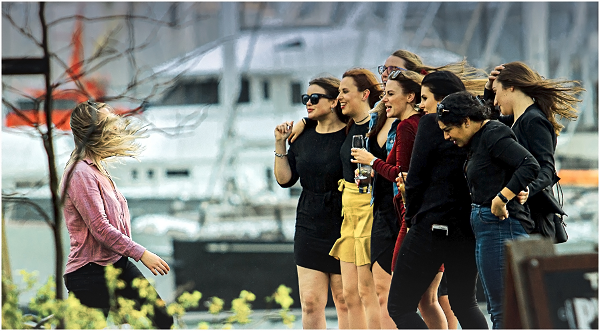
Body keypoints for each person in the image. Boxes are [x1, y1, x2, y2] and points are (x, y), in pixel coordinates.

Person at [387, 71, 490, 329]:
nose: (421, 105)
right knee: (465, 304)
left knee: (399, 306)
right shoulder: (479, 125)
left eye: (425, 98)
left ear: (443, 99)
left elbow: (416, 178)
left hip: (430, 224)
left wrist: (411, 219)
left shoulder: (432, 123)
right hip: (466, 229)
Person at [61, 100, 173, 329]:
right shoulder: (80, 172)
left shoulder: (97, 169)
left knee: (162, 319)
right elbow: (100, 227)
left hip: (116, 265)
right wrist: (142, 254)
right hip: (90, 272)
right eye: (109, 123)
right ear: (94, 131)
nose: (116, 127)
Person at [436, 91, 540, 329]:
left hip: (501, 225)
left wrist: (502, 198)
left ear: (466, 121)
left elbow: (529, 164)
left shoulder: (493, 133)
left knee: (503, 310)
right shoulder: (479, 138)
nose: (446, 136)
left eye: (448, 129)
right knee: (500, 308)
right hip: (489, 227)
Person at [273, 77, 349, 329]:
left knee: (344, 300)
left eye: (314, 98)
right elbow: (285, 180)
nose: (308, 103)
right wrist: (279, 143)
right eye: (305, 98)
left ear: (334, 101)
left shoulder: (351, 133)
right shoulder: (301, 137)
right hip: (308, 222)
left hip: (344, 223)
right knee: (310, 302)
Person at [484, 61, 583, 237]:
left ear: (511, 87)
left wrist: (528, 188)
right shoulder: (516, 120)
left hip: (534, 218)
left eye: (496, 93)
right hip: (523, 215)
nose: (496, 101)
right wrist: (487, 90)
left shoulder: (534, 120)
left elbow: (547, 169)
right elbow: (489, 124)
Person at [328, 68, 383, 329]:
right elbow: (319, 114)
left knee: (367, 290)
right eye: (339, 91)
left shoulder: (377, 125)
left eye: (345, 91)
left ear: (365, 94)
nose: (340, 97)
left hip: (367, 207)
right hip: (348, 209)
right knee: (348, 292)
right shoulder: (351, 125)